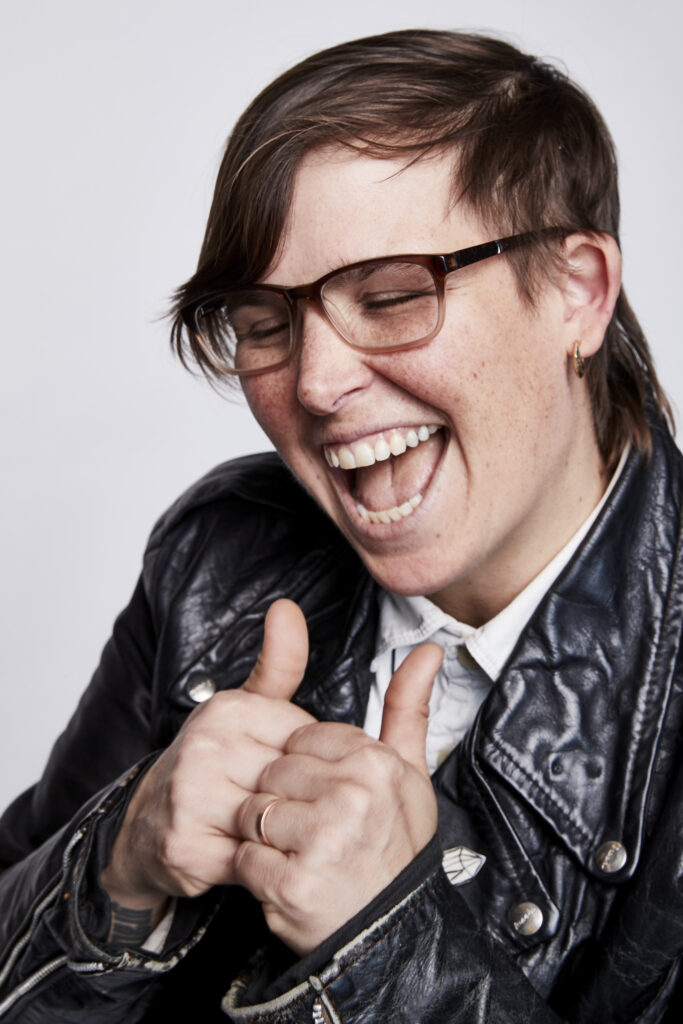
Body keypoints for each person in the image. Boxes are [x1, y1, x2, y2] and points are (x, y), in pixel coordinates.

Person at [0, 27, 681, 1023]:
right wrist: (119, 864)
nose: (314, 385)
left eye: (392, 296)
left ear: (575, 292)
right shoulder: (219, 558)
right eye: (267, 324)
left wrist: (384, 945)